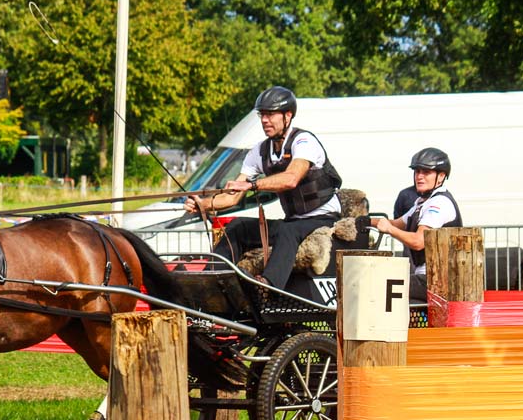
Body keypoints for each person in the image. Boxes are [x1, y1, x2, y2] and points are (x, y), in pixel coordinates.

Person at [184, 85, 343, 289]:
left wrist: (252, 185)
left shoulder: (304, 141)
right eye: (262, 115)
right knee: (238, 226)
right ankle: (210, 282)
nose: (264, 120)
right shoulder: (259, 151)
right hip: (293, 223)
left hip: (323, 219)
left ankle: (267, 286)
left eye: (270, 114)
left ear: (288, 115)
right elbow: (232, 197)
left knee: (288, 230)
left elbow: (291, 179)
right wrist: (203, 204)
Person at [372, 147, 462, 301]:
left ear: (441, 176)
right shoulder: (422, 202)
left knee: (378, 283)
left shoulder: (439, 203)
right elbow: (396, 223)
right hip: (427, 276)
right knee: (379, 280)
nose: (419, 176)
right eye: (417, 171)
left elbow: (419, 241)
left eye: (426, 172)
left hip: (439, 279)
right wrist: (363, 221)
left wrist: (389, 230)